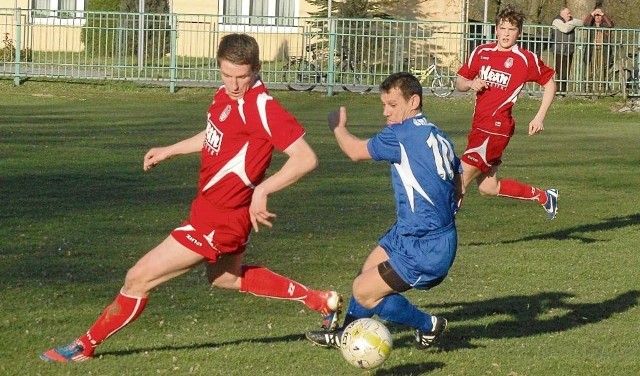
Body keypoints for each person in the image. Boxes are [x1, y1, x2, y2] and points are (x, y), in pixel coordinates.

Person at [39, 33, 342, 363]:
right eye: (227, 74)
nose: (234, 83)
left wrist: (262, 190)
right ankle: (317, 299)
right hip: (215, 212)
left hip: (219, 219)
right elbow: (214, 134)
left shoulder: (262, 107)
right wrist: (171, 149)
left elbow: (305, 158)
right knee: (226, 278)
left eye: (242, 76)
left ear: (256, 69)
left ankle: (86, 345)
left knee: (138, 277)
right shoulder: (224, 96)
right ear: (219, 67)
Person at [305, 72, 463, 350]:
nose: (385, 112)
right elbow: (458, 177)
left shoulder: (401, 135)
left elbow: (355, 151)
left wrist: (337, 127)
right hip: (410, 232)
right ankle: (347, 333)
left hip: (426, 246)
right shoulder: (437, 134)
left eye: (392, 105)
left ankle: (429, 325)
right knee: (365, 275)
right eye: (383, 105)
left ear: (413, 101)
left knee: (364, 292)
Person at [455, 5, 559, 220]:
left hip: (496, 128)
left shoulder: (525, 58)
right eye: (502, 28)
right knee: (488, 188)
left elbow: (550, 83)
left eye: (511, 29)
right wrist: (471, 83)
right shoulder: (481, 52)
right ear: (496, 30)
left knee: (459, 181)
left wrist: (539, 116)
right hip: (478, 126)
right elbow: (460, 82)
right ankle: (545, 197)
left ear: (518, 32)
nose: (506, 33)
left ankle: (435, 234)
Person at [551, 7, 583, 95]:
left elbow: (580, 22)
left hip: (569, 50)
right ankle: (559, 91)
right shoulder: (556, 21)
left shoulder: (571, 20)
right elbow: (565, 29)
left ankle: (562, 91)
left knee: (566, 72)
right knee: (561, 72)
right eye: (568, 13)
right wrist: (572, 24)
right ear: (562, 14)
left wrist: (570, 23)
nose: (570, 15)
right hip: (559, 50)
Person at [582, 8, 614, 93]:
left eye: (599, 15)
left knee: (601, 70)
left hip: (602, 50)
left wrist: (603, 14)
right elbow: (585, 24)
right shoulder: (591, 25)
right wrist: (591, 14)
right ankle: (588, 90)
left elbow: (610, 25)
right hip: (592, 49)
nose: (597, 17)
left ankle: (601, 89)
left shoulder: (605, 25)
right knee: (590, 70)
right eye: (596, 15)